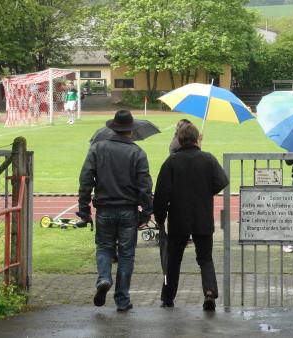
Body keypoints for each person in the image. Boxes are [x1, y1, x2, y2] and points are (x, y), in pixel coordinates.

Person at [77, 110, 153, 312]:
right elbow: (145, 187)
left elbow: (85, 180)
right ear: (132, 129)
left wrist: (83, 209)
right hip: (129, 210)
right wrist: (146, 213)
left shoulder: (97, 148)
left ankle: (103, 278)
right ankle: (122, 299)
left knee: (104, 247)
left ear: (113, 127)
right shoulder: (138, 153)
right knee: (127, 255)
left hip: (104, 209)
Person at [154, 123, 229, 311]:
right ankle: (210, 292)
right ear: (198, 139)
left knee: (173, 259)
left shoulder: (171, 162)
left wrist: (160, 217)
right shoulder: (208, 159)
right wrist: (206, 192)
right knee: (205, 258)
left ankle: (168, 297)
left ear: (179, 140)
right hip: (202, 216)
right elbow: (222, 180)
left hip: (178, 218)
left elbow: (161, 193)